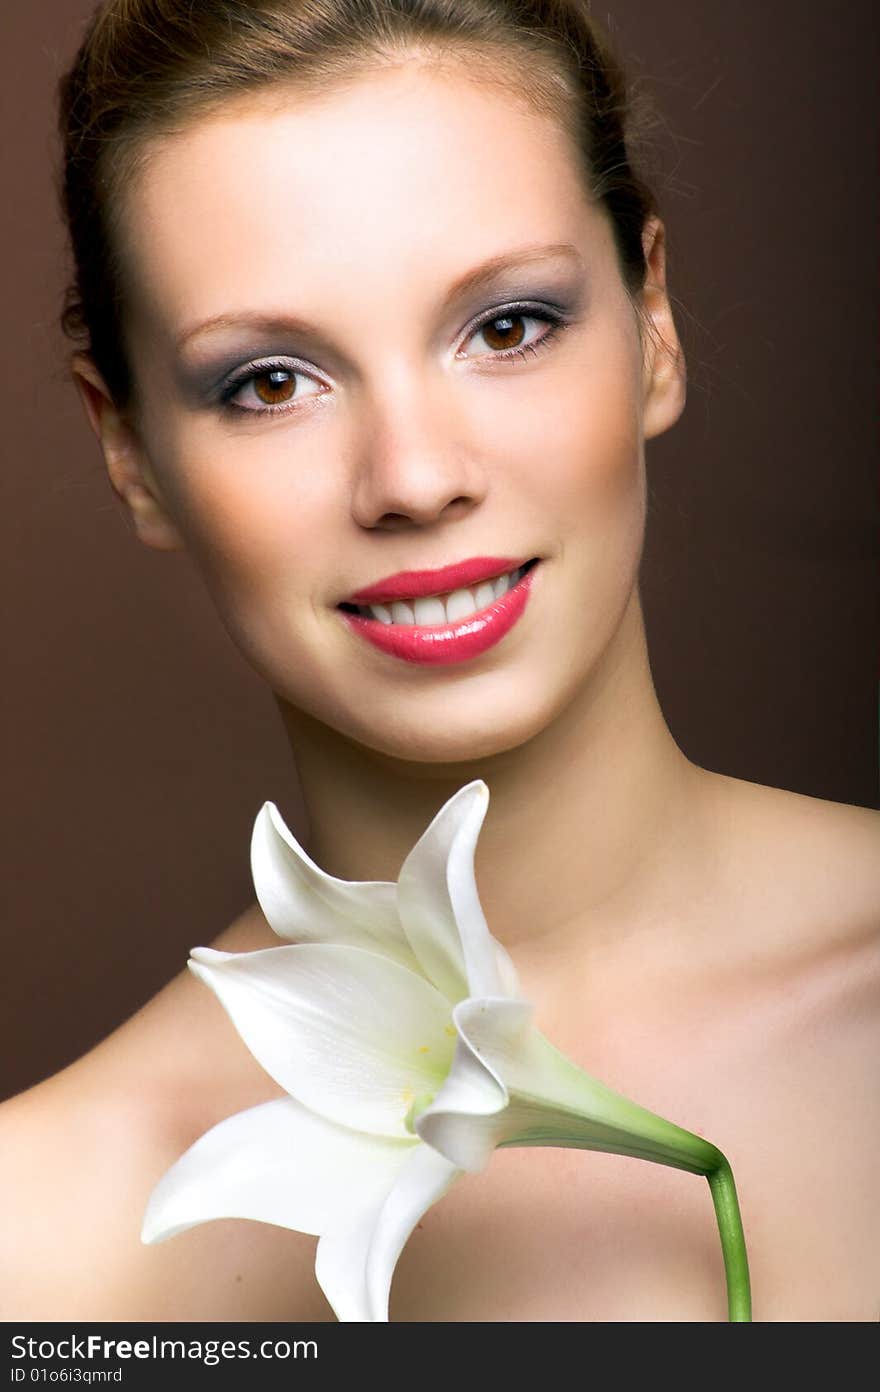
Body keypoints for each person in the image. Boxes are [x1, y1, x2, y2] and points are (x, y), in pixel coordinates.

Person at [1, 0, 877, 1322]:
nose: (413, 479)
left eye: (509, 325)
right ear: (128, 447)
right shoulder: (44, 1247)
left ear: (654, 321)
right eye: (271, 382)